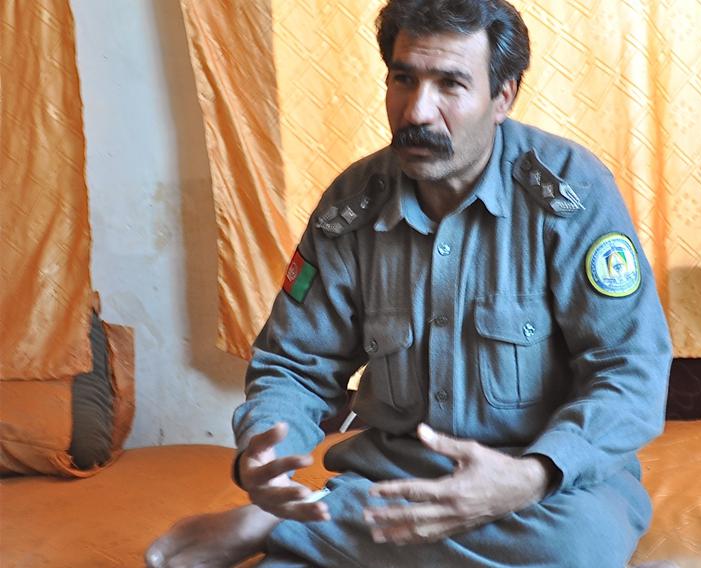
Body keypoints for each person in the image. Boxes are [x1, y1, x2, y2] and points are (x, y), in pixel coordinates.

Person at [146, 0, 672, 566]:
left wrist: (531, 475)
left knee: (575, 549)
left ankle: (289, 527)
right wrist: (267, 450)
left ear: (503, 96)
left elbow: (629, 369)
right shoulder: (351, 206)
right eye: (404, 79)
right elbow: (294, 365)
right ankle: (311, 523)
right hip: (394, 478)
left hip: (544, 483)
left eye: (450, 84)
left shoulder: (569, 194)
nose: (418, 110)